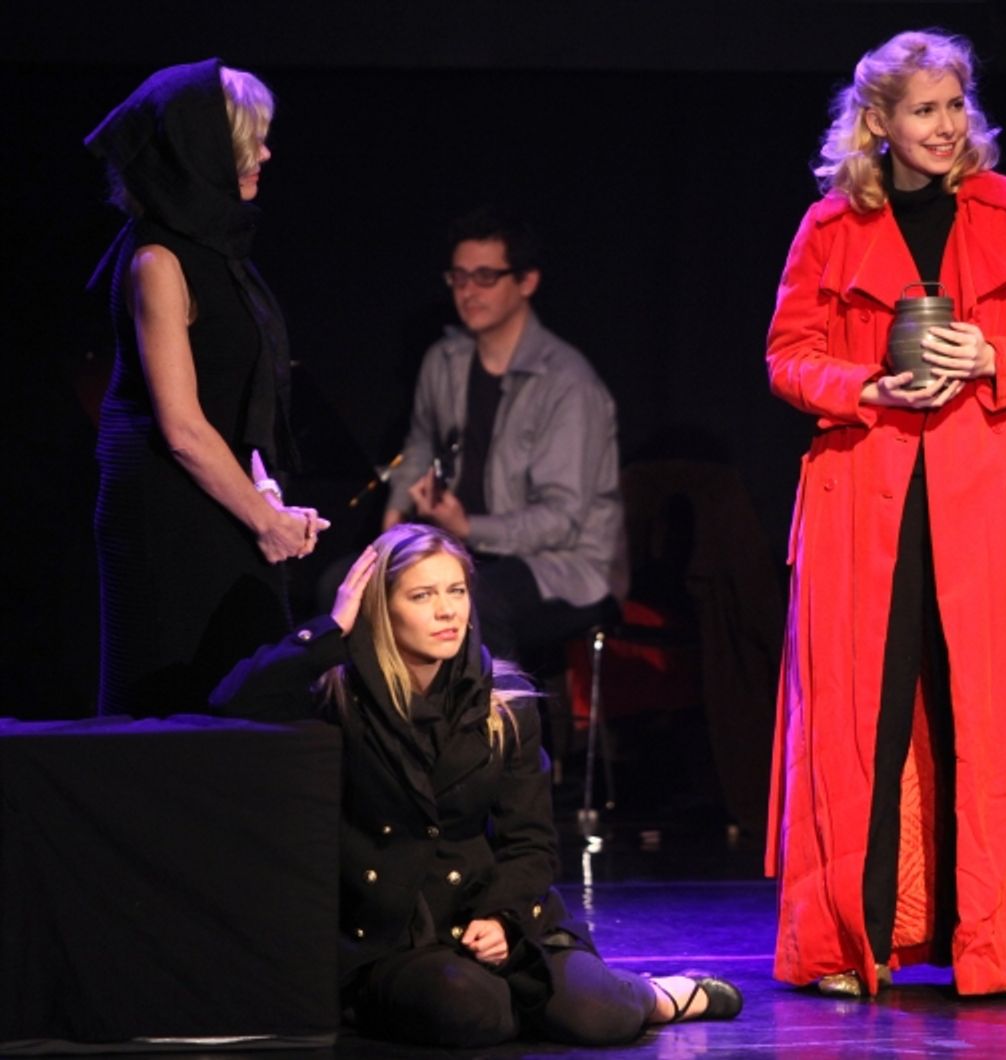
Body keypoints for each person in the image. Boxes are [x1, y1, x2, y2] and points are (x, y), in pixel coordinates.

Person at [763, 30, 1006, 998]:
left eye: (956, 106)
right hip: (862, 490)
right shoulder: (829, 226)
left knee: (990, 706)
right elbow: (787, 356)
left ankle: (996, 938)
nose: (946, 126)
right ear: (877, 123)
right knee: (862, 711)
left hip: (986, 487)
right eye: (924, 110)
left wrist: (992, 358)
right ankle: (850, 940)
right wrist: (866, 384)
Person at [209, 523, 742, 1047]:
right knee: (467, 1006)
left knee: (598, 1014)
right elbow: (234, 701)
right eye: (422, 595)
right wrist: (333, 627)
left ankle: (659, 996)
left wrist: (505, 919)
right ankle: (522, 1005)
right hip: (398, 939)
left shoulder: (502, 701)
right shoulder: (340, 695)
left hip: (491, 916)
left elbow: (530, 842)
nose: (447, 611)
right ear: (381, 606)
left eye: (456, 591)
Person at [85, 59, 327, 717]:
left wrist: (267, 491)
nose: (266, 155)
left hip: (220, 498)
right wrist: (266, 523)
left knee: (245, 690)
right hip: (166, 513)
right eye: (249, 142)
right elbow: (184, 427)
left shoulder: (216, 249)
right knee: (174, 702)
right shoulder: (155, 261)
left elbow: (238, 396)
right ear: (200, 152)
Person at [381, 207, 623, 669]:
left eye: (485, 277)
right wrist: (393, 529)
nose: (468, 291)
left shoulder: (568, 383)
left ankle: (493, 735)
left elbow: (562, 521)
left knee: (474, 604)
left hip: (562, 565)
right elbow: (418, 446)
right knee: (345, 584)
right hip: (462, 551)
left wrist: (468, 528)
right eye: (459, 277)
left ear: (526, 282)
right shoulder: (444, 360)